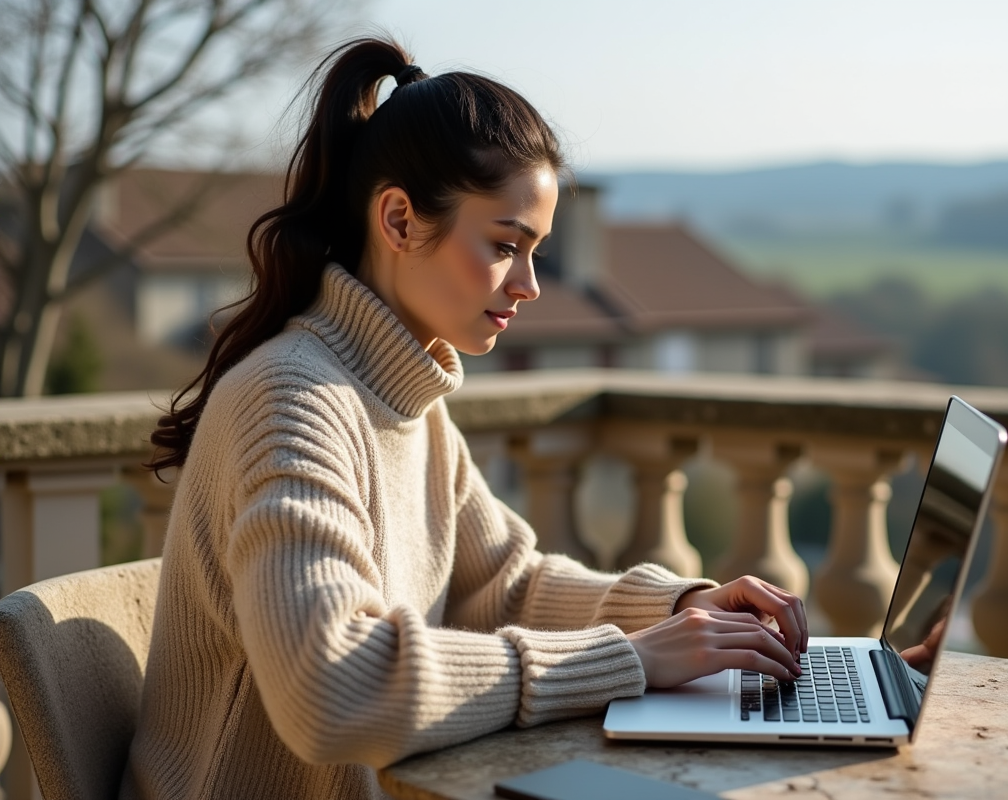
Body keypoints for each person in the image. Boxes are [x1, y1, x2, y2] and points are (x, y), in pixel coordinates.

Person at [122, 37, 808, 800]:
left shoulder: (406, 401)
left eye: (537, 252)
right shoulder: (293, 400)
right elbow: (331, 688)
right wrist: (633, 659)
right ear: (398, 220)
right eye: (506, 246)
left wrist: (680, 609)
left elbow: (502, 587)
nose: (531, 286)